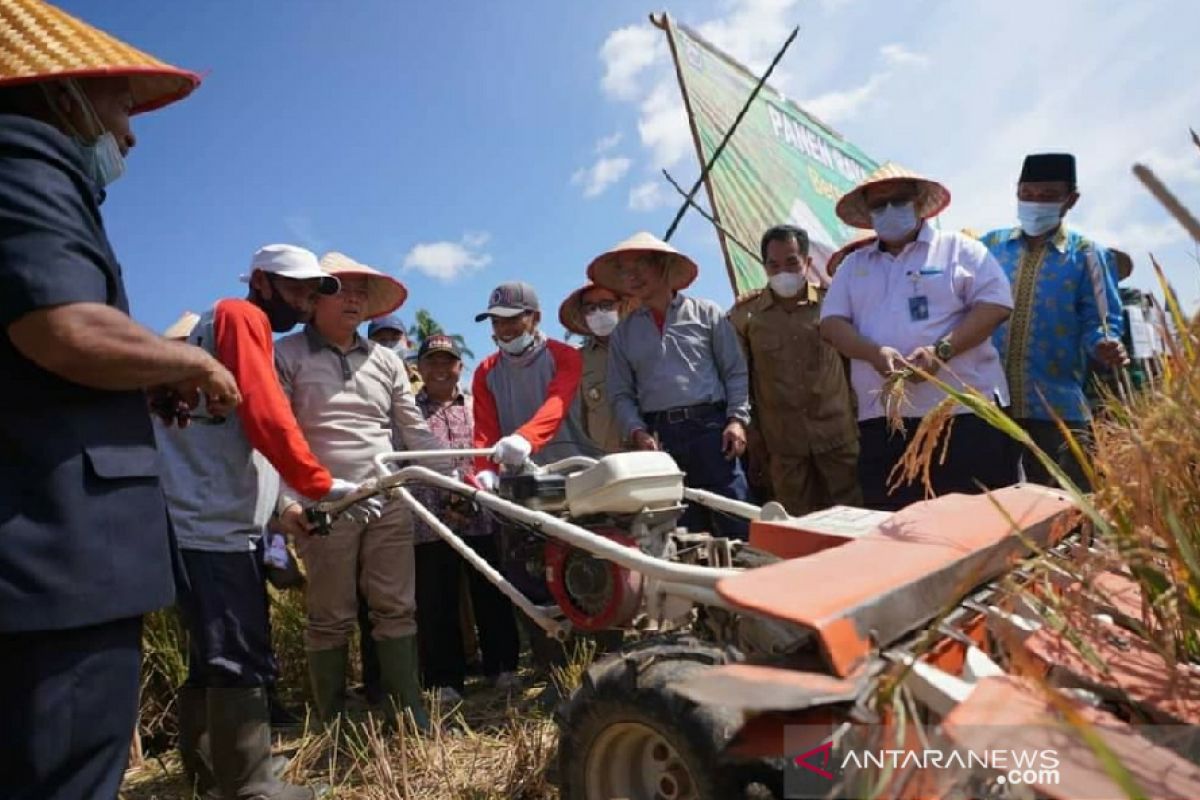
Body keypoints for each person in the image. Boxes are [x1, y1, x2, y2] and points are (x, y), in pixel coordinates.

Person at [0, 5, 234, 798]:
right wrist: (190, 364)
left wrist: (142, 378)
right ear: (66, 94)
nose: (129, 135)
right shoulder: (22, 163)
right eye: (122, 107)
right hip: (55, 557)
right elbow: (64, 329)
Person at [155, 244, 355, 800]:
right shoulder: (239, 316)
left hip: (206, 517)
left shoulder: (227, 335)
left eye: (313, 292)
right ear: (261, 282)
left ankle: (210, 774)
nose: (306, 301)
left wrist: (285, 509)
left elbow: (244, 442)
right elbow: (267, 417)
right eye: (296, 289)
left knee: (211, 652)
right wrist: (318, 482)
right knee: (238, 650)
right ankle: (251, 786)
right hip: (210, 523)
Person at [275, 252, 448, 731]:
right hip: (324, 504)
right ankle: (331, 721)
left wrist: (462, 470)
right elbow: (276, 433)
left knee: (397, 606)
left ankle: (409, 710)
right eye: (340, 289)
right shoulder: (286, 354)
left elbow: (415, 432)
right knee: (330, 614)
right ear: (314, 298)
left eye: (361, 293)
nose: (352, 299)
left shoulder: (387, 361)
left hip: (387, 495)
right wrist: (289, 501)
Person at [820, 163, 1017, 511]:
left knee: (980, 523)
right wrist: (873, 352)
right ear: (868, 213)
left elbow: (996, 304)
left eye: (898, 200)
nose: (889, 211)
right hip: (885, 423)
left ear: (918, 202)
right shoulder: (853, 266)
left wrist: (941, 350)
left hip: (964, 414)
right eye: (879, 205)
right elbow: (832, 324)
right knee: (897, 527)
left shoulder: (959, 249)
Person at [590, 233, 752, 538]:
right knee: (681, 532)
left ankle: (755, 584)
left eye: (641, 265)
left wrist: (737, 421)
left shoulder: (707, 313)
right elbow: (620, 393)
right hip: (660, 440)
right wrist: (637, 431)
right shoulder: (624, 334)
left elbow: (735, 372)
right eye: (625, 270)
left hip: (713, 432)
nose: (633, 275)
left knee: (737, 517)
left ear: (663, 266)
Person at [980, 153, 1126, 486]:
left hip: (1057, 408)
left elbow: (1101, 320)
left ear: (1070, 200)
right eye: (1027, 195)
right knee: (992, 504)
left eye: (1047, 197)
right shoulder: (989, 246)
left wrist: (1104, 344)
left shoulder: (1088, 254)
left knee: (1062, 508)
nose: (1034, 203)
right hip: (991, 404)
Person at [412, 334, 521, 702]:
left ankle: (503, 668)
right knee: (436, 602)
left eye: (448, 361)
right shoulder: (408, 412)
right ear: (420, 367)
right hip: (430, 519)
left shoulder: (479, 406)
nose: (440, 369)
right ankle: (445, 681)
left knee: (491, 592)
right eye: (432, 362)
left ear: (460, 366)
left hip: (481, 515)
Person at [729, 225, 861, 516]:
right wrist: (754, 438)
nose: (783, 271)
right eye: (773, 265)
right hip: (784, 448)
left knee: (854, 522)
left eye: (792, 262)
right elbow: (740, 381)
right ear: (764, 266)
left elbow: (853, 366)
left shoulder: (833, 303)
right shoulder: (745, 316)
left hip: (838, 438)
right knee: (799, 528)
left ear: (807, 263)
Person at [471, 280, 598, 477]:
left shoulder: (565, 356)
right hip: (526, 482)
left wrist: (526, 438)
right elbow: (485, 429)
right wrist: (486, 469)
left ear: (536, 318)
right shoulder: (485, 372)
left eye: (512, 319)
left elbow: (557, 403)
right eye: (496, 322)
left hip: (581, 471)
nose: (504, 329)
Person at [558, 282, 630, 453]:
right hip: (606, 459)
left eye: (606, 305)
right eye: (590, 308)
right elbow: (581, 417)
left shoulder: (643, 346)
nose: (599, 312)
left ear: (620, 306)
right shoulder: (579, 360)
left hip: (654, 454)